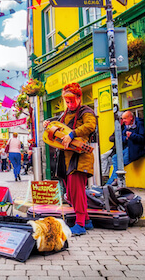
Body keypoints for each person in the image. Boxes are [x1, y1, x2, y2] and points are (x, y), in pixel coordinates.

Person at [43, 82, 97, 236]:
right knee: (70, 194)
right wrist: (48, 124)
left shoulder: (86, 112)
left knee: (77, 192)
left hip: (80, 157)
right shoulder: (64, 114)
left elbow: (90, 125)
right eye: (67, 101)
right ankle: (86, 220)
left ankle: (80, 224)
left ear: (79, 98)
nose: (69, 104)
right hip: (66, 159)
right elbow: (57, 125)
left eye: (72, 101)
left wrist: (72, 134)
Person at [106, 111, 145, 186]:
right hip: (128, 148)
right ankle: (114, 180)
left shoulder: (139, 124)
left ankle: (110, 183)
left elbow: (143, 138)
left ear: (131, 118)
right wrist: (126, 138)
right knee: (115, 158)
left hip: (136, 149)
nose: (123, 120)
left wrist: (132, 135)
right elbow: (122, 136)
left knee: (120, 163)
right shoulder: (126, 126)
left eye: (125, 118)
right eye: (122, 119)